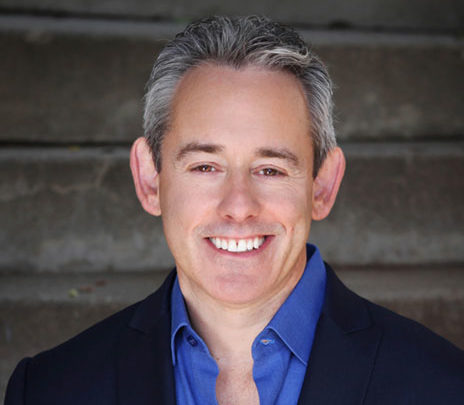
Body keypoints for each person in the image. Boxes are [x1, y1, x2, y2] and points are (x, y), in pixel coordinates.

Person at [5, 15, 464, 405]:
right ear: (150, 180)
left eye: (270, 169)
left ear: (323, 186)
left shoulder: (443, 385)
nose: (239, 206)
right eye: (205, 166)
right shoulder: (48, 389)